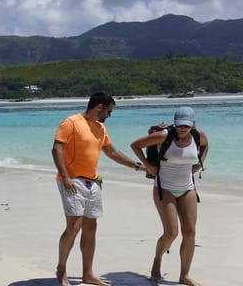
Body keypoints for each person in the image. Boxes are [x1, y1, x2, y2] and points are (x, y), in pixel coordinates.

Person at [51, 92, 144, 286]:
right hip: (72, 180)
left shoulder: (101, 128)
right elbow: (57, 149)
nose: (110, 115)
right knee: (74, 226)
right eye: (109, 111)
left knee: (91, 227)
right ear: (99, 107)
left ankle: (88, 273)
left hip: (93, 182)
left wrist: (137, 166)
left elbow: (111, 151)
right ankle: (61, 269)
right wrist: (66, 176)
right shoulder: (71, 122)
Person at [130, 106, 209, 285]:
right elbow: (135, 145)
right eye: (180, 125)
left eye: (186, 126)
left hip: (188, 188)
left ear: (192, 125)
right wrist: (148, 166)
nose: (182, 129)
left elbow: (205, 146)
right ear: (175, 123)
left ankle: (184, 275)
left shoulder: (198, 136)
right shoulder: (163, 136)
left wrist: (199, 165)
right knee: (171, 232)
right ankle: (157, 259)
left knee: (190, 232)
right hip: (164, 187)